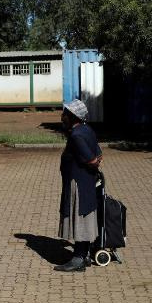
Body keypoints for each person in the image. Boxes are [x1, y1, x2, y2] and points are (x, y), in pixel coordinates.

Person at [55, 99, 103, 272]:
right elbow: (99, 154)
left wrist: (91, 163)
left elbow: (92, 159)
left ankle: (79, 258)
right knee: (83, 217)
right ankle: (84, 254)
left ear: (73, 117)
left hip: (78, 184)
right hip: (86, 182)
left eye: (65, 114)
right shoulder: (87, 130)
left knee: (79, 217)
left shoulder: (76, 136)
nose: (62, 117)